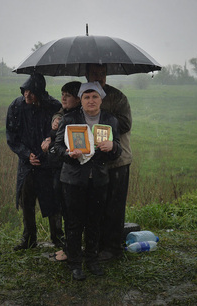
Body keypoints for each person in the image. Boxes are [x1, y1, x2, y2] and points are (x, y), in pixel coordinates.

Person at [54, 82, 122, 280]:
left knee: (94, 222)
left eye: (94, 97)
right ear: (81, 100)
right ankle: (75, 263)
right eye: (86, 97)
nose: (91, 101)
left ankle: (92, 260)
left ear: (101, 99)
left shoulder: (110, 121)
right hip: (73, 180)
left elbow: (116, 150)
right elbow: (57, 149)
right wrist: (68, 154)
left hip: (99, 180)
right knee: (74, 223)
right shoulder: (69, 119)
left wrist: (113, 147)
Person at [6, 72, 64, 250]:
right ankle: (29, 239)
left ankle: (58, 238)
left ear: (39, 91)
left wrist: (48, 147)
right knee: (27, 202)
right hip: (27, 165)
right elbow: (12, 137)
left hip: (49, 164)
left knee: (53, 202)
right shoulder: (16, 107)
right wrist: (27, 155)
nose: (27, 95)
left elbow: (61, 133)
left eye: (31, 91)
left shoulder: (53, 106)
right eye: (25, 91)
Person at [85, 63, 133, 261]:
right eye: (94, 73)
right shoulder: (83, 94)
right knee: (95, 206)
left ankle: (113, 249)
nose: (99, 77)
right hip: (91, 162)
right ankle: (95, 246)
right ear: (86, 75)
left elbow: (125, 123)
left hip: (117, 160)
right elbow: (67, 110)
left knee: (114, 206)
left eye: (102, 73)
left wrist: (99, 113)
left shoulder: (117, 97)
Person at [42, 81, 82, 261]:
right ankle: (68, 247)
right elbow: (57, 135)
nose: (63, 98)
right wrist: (49, 138)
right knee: (64, 208)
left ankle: (72, 250)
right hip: (59, 168)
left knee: (71, 211)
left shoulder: (77, 117)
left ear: (78, 98)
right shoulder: (64, 114)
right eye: (62, 94)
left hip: (69, 169)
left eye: (68, 95)